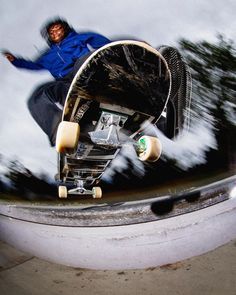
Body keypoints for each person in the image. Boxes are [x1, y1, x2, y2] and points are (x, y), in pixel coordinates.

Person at [3, 17, 111, 146]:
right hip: (67, 85)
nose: (55, 33)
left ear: (64, 29)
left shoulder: (78, 38)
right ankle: (61, 130)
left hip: (86, 71)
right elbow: (33, 65)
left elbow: (102, 43)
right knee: (37, 96)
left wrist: (125, 53)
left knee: (86, 61)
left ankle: (106, 91)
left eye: (58, 29)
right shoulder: (47, 55)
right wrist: (15, 61)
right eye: (52, 32)